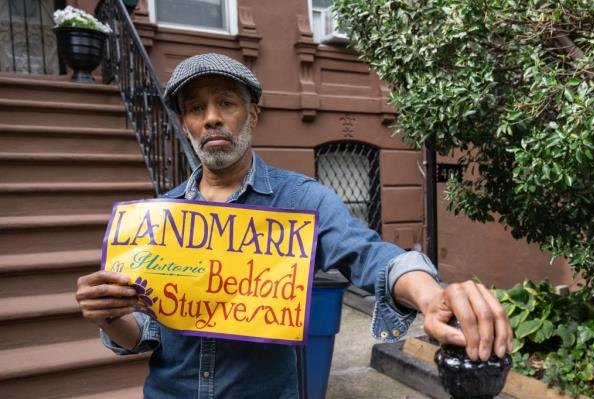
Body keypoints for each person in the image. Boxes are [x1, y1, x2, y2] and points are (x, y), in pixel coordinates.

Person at [76, 53, 512, 398]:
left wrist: (431, 294)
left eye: (226, 102)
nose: (211, 117)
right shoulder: (157, 219)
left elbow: (366, 253)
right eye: (196, 108)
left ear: (253, 115)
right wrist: (111, 315)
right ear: (187, 124)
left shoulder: (302, 200)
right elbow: (143, 336)